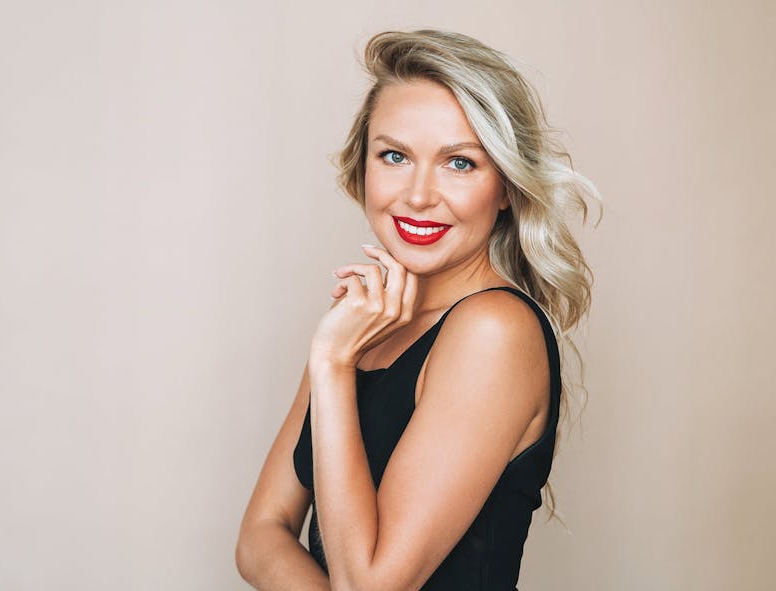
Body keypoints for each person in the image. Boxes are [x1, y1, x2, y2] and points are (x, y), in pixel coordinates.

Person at [236, 28, 602, 591]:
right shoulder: (365, 324)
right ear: (363, 167)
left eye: (459, 163)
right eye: (394, 156)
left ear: (505, 185)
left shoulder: (493, 330)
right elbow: (261, 536)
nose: (418, 195)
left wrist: (332, 365)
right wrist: (336, 354)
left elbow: (369, 586)